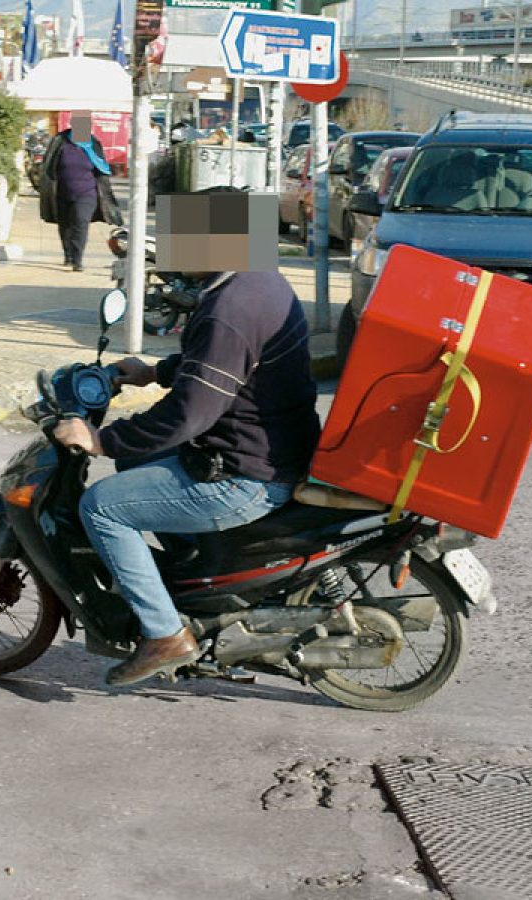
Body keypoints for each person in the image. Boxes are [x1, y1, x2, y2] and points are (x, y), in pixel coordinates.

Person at [52, 191, 320, 687]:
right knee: (139, 461)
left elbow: (189, 416)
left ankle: (165, 634)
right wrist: (155, 370)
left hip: (247, 474)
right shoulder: (259, 282)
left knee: (101, 507)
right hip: (272, 446)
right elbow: (223, 369)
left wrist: (100, 441)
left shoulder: (230, 307)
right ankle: (195, 582)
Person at [39, 111, 123, 271]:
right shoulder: (60, 141)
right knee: (65, 225)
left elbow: (102, 168)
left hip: (87, 193)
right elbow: (48, 166)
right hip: (62, 193)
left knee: (80, 222)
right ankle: (68, 255)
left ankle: (77, 260)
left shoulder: (93, 144)